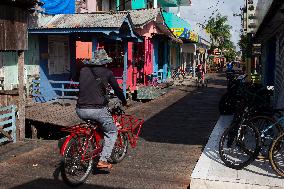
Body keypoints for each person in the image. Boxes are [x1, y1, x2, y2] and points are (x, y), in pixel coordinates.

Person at [76, 49, 127, 170]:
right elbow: (117, 89)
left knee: (96, 123)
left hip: (80, 109)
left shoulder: (83, 70)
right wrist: (124, 101)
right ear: (105, 62)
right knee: (112, 131)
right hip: (97, 109)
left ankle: (93, 143)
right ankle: (103, 160)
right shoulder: (107, 72)